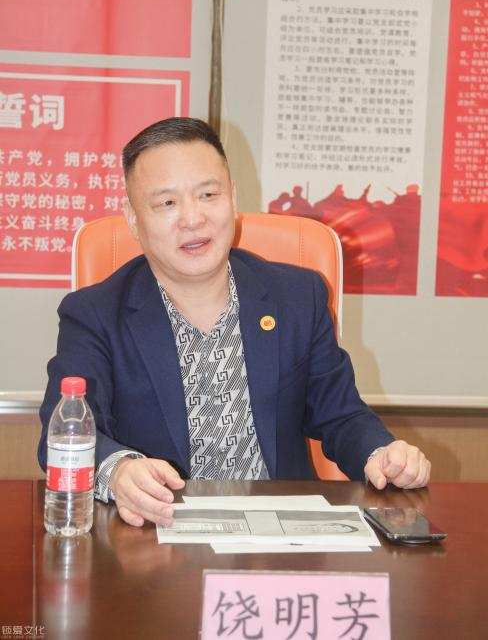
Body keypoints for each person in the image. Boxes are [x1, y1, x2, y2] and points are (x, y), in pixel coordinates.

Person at [38, 117, 431, 528]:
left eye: (208, 194)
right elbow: (61, 434)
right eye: (167, 203)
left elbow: (340, 415)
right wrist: (118, 471)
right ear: (134, 219)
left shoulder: (298, 297)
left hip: (283, 536)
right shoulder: (94, 313)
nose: (193, 219)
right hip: (157, 531)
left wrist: (382, 454)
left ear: (232, 198)